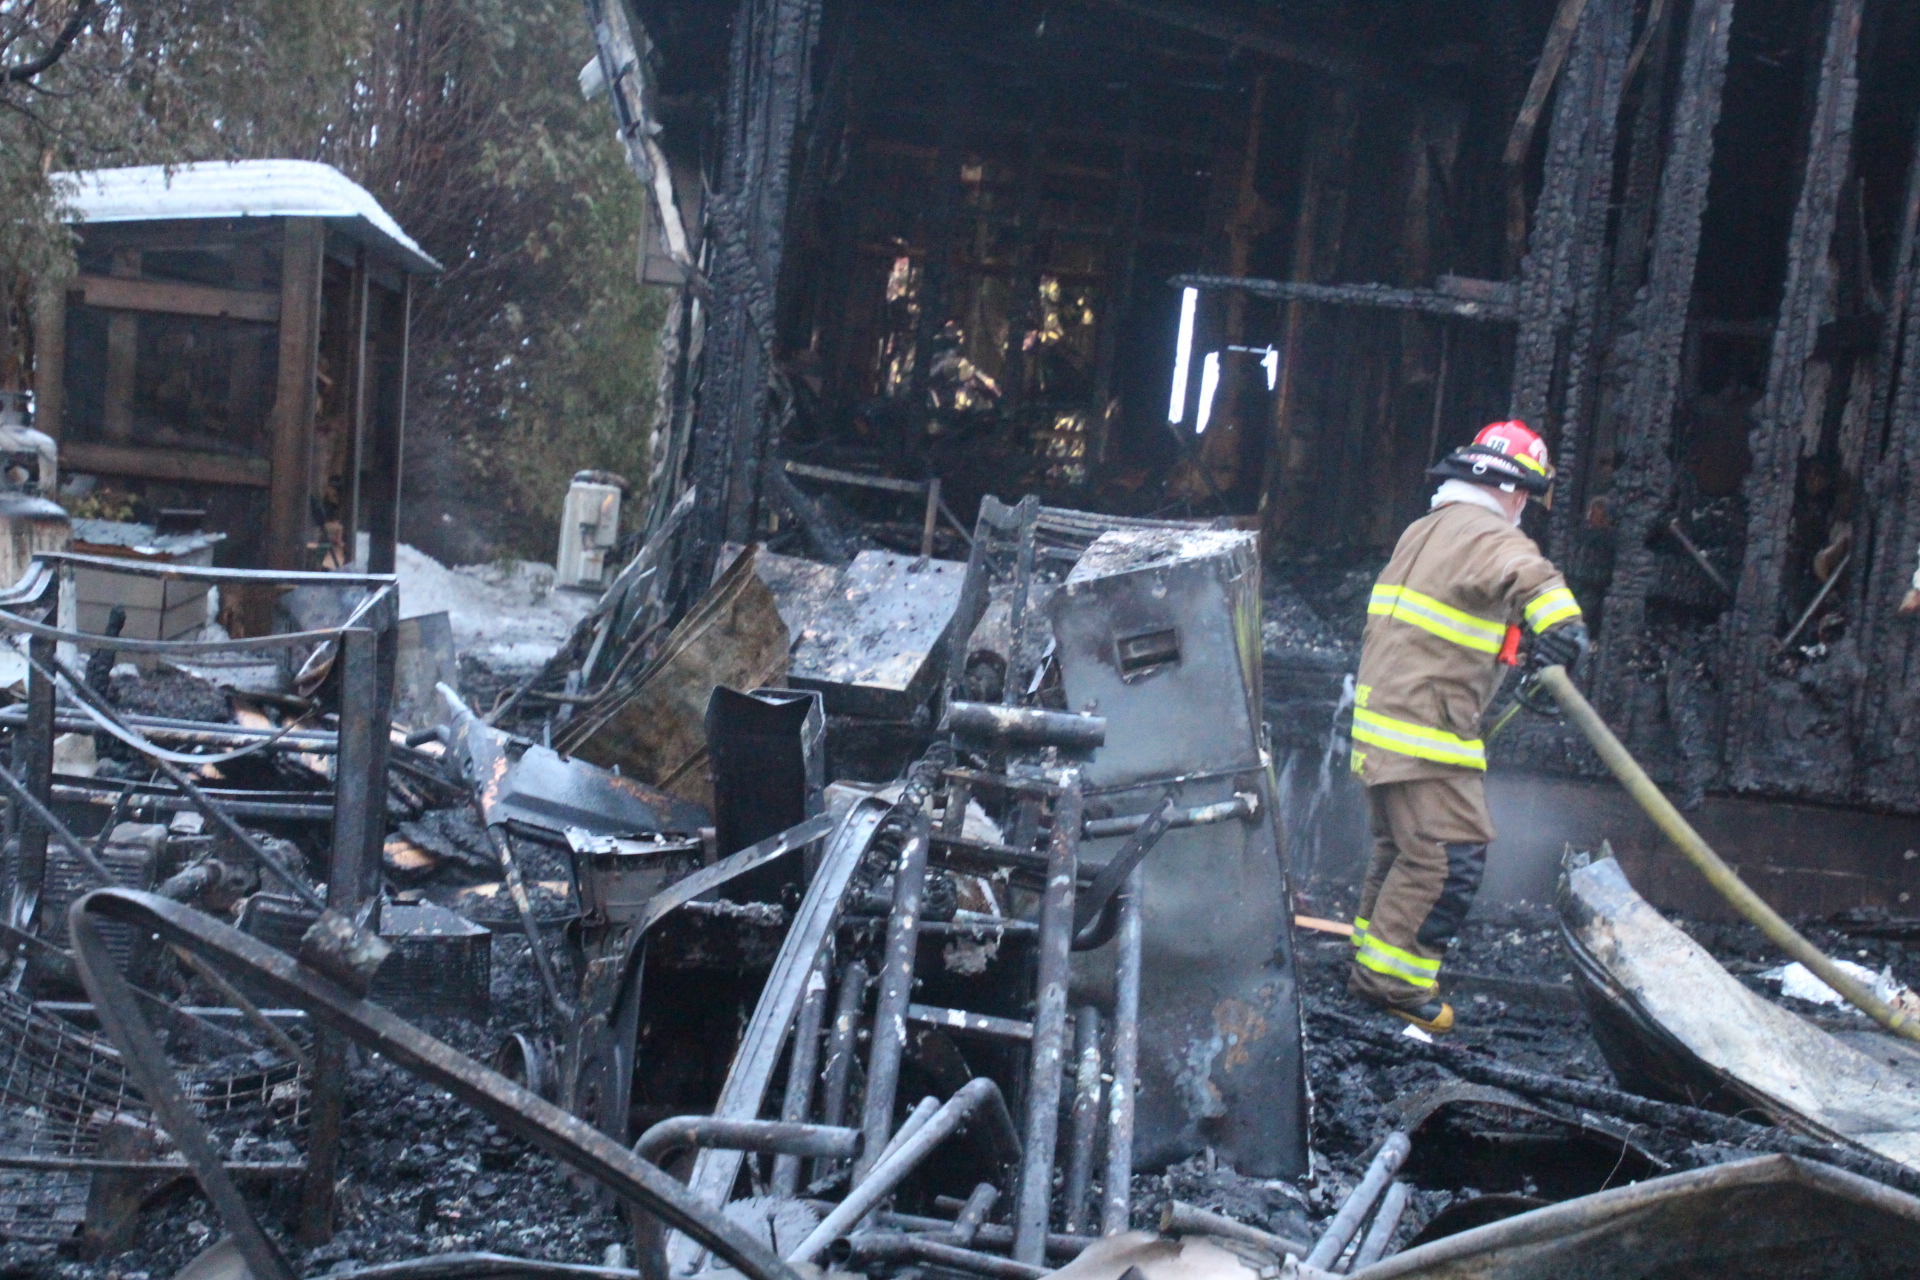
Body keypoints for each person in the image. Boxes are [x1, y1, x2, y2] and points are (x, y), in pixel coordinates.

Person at [1346, 421, 1588, 1033]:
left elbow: (1460, 619)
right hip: (1426, 733)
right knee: (1448, 859)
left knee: (1404, 851)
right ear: (1509, 488)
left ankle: (1371, 964)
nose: (1524, 506)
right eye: (1525, 494)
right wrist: (1563, 629)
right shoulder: (1487, 533)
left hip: (1388, 724)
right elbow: (1531, 576)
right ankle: (1395, 984)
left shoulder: (1427, 529)